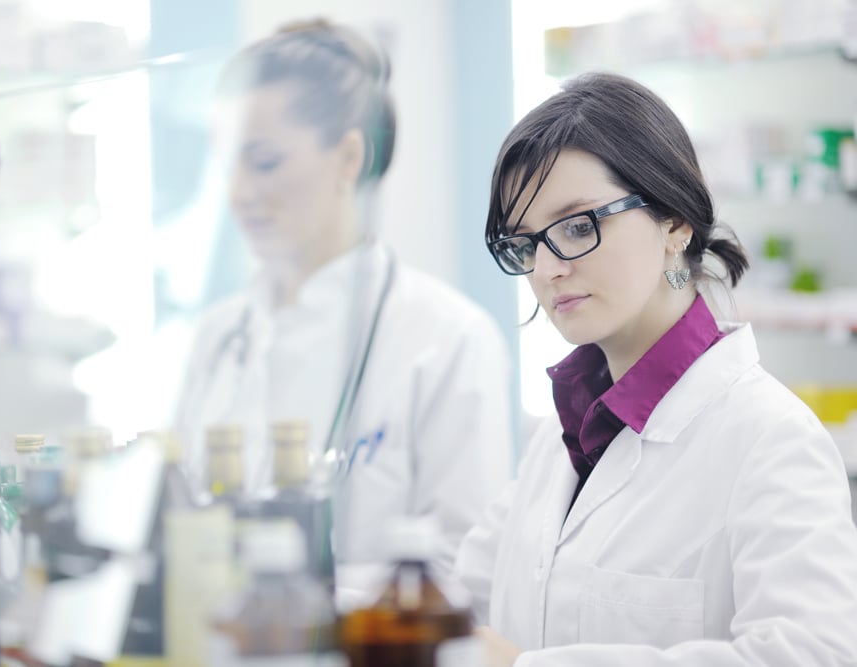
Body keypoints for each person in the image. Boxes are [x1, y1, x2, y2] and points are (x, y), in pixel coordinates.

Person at [455, 72, 857, 666]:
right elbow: (458, 598)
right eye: (525, 243)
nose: (547, 268)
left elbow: (814, 654)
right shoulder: (566, 431)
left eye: (576, 226)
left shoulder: (772, 441)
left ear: (673, 222)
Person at [176, 20, 513, 601]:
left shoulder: (446, 336)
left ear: (348, 157)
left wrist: (296, 596)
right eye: (226, 163)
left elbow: (466, 572)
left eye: (263, 161)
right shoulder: (218, 336)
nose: (237, 191)